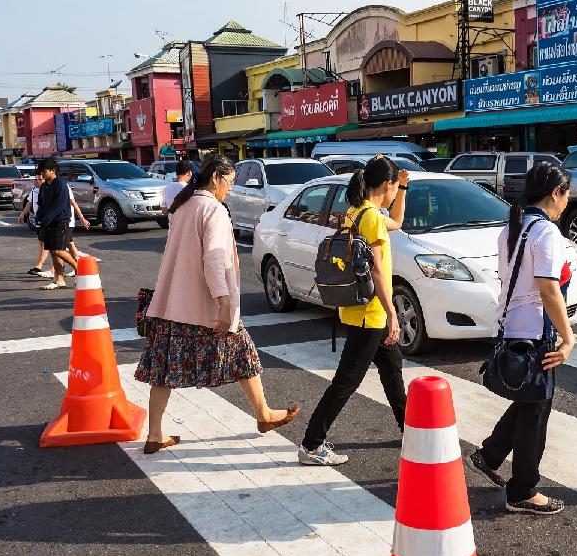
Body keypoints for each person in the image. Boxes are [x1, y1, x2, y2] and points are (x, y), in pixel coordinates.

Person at [135, 155, 298, 454]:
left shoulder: (184, 205)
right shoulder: (213, 209)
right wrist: (223, 302)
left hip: (174, 304)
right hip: (205, 306)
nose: (230, 189)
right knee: (244, 356)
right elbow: (214, 259)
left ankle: (155, 434)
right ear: (216, 179)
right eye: (230, 182)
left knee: (163, 370)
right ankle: (263, 415)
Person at [468, 163, 574, 515]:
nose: (567, 201)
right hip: (534, 334)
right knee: (536, 412)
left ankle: (490, 455)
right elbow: (548, 288)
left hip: (511, 326)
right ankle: (523, 490)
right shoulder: (545, 233)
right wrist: (568, 336)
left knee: (530, 401)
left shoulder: (512, 228)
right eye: (567, 193)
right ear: (555, 193)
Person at [298, 155, 409, 466]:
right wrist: (392, 313)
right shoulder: (370, 217)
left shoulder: (355, 212)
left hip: (358, 308)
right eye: (394, 187)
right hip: (371, 312)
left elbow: (397, 223)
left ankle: (411, 431)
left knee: (392, 369)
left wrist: (404, 189)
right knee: (347, 380)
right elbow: (375, 270)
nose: (394, 192)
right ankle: (311, 444)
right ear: (386, 185)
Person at [21, 175, 92, 278]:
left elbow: (73, 203)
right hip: (50, 222)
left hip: (64, 221)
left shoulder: (62, 186)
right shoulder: (39, 189)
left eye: (40, 179)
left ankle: (61, 269)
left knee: (57, 248)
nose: (37, 181)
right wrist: (26, 215)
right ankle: (63, 274)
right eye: (35, 179)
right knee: (67, 245)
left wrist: (82, 218)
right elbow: (34, 204)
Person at [35, 158, 78, 291]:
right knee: (54, 253)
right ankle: (59, 280)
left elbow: (59, 206)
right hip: (48, 223)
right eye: (41, 172)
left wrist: (46, 219)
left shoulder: (60, 185)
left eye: (44, 172)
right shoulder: (44, 186)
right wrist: (39, 217)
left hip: (61, 221)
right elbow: (41, 204)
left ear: (53, 171)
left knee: (58, 250)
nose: (42, 175)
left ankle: (79, 269)